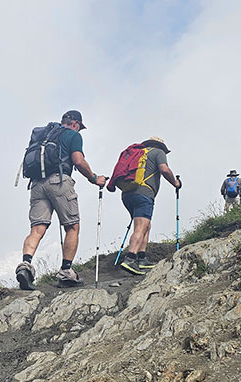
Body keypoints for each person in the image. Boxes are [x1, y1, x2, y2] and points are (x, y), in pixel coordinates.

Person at [15, 110, 106, 290]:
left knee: (37, 228)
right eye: (79, 127)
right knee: (72, 226)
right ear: (75, 124)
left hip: (37, 185)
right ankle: (66, 273)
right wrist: (94, 178)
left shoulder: (44, 137)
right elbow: (78, 161)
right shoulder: (73, 136)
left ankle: (25, 266)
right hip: (59, 181)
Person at [117, 137, 181, 275]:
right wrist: (175, 182)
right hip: (144, 193)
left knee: (146, 225)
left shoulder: (139, 153)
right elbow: (164, 169)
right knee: (141, 226)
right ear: (161, 147)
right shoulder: (158, 152)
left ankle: (142, 258)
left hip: (127, 194)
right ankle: (130, 259)